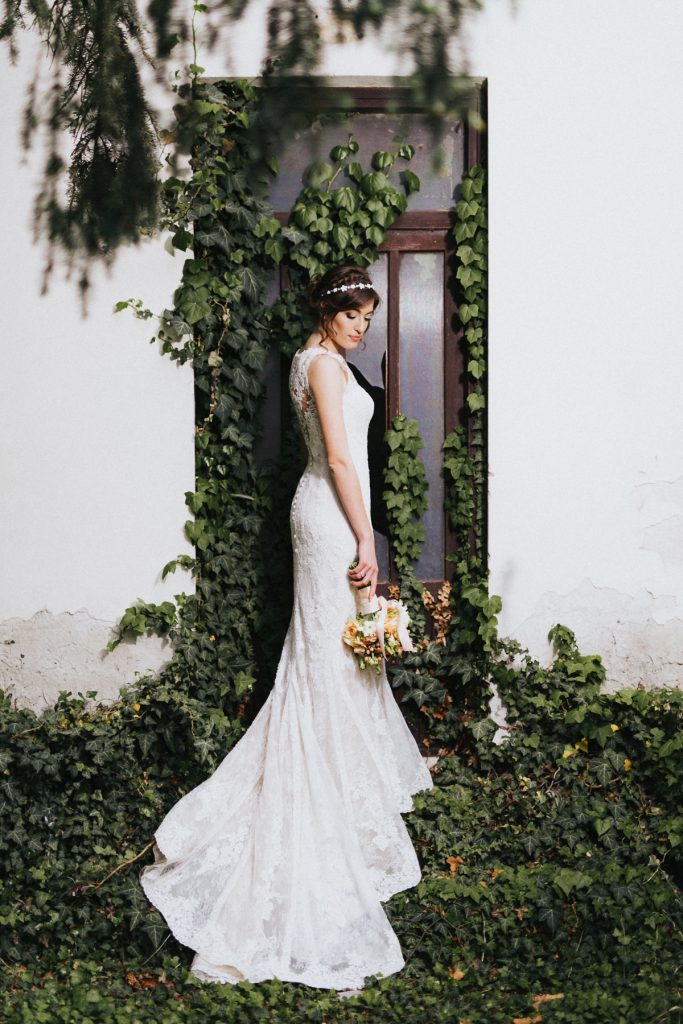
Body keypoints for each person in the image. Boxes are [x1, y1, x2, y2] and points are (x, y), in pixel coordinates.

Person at [139, 264, 434, 992]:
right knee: (327, 662)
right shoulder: (324, 369)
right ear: (327, 312)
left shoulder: (314, 361)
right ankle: (321, 798)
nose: (363, 326)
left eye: (368, 315)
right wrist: (367, 540)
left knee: (331, 660)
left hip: (325, 514)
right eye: (353, 314)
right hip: (332, 520)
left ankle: (341, 781)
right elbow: (338, 457)